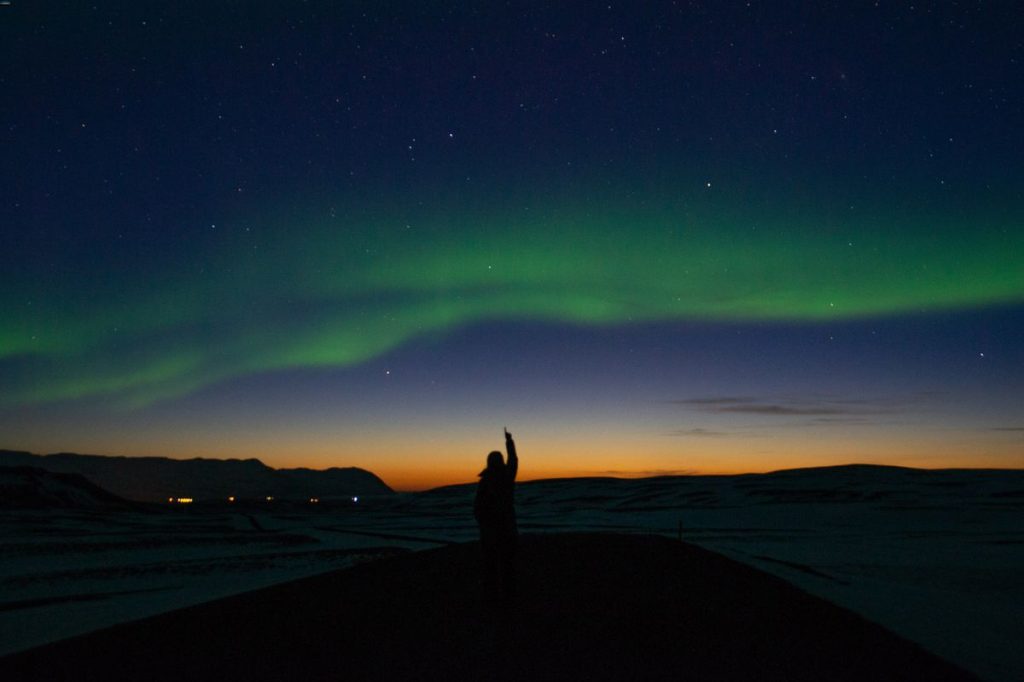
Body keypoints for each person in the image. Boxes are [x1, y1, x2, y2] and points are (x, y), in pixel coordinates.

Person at [474, 428, 519, 606]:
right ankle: (507, 599)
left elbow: (477, 507)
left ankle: (490, 598)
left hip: (491, 531)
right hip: (506, 529)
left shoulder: (485, 482)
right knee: (507, 566)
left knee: (490, 565)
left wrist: (483, 523)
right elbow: (514, 461)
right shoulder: (507, 478)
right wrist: (510, 443)